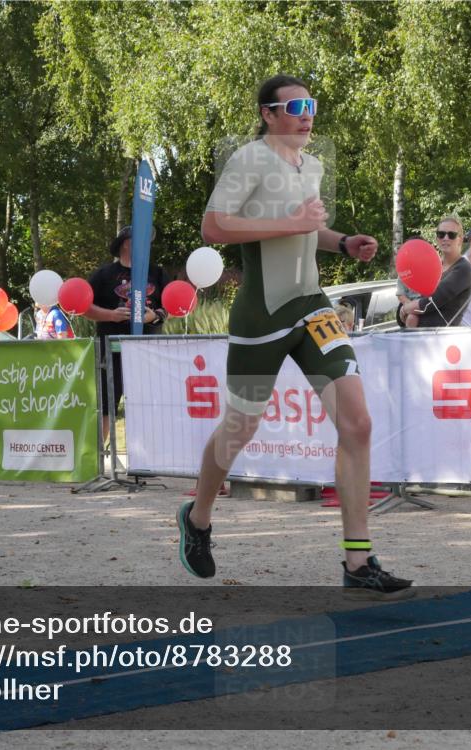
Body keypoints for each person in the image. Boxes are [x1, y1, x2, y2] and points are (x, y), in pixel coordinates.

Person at [177, 74, 412, 599]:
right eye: (296, 107)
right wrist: (293, 222)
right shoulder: (248, 160)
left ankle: (358, 562)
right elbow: (214, 228)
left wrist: (343, 242)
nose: (307, 116)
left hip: (311, 307)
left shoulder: (313, 165)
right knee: (239, 428)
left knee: (357, 423)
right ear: (268, 114)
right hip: (262, 315)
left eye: (312, 106)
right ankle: (198, 516)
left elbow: (305, 230)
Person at [86, 225, 170, 439]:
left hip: (148, 352)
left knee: (149, 406)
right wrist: (110, 315)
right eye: (140, 238)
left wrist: (154, 316)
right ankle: (98, 455)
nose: (146, 244)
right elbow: (83, 307)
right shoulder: (103, 274)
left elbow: (172, 306)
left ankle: (148, 454)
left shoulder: (157, 273)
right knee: (106, 406)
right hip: (111, 351)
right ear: (126, 243)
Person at [397, 217, 471, 328]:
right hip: (417, 335)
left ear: (460, 239)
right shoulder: (431, 267)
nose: (445, 238)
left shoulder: (464, 269)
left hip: (442, 337)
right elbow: (414, 298)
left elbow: (432, 300)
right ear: (437, 238)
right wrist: (405, 309)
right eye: (441, 234)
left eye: (451, 235)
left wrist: (405, 308)